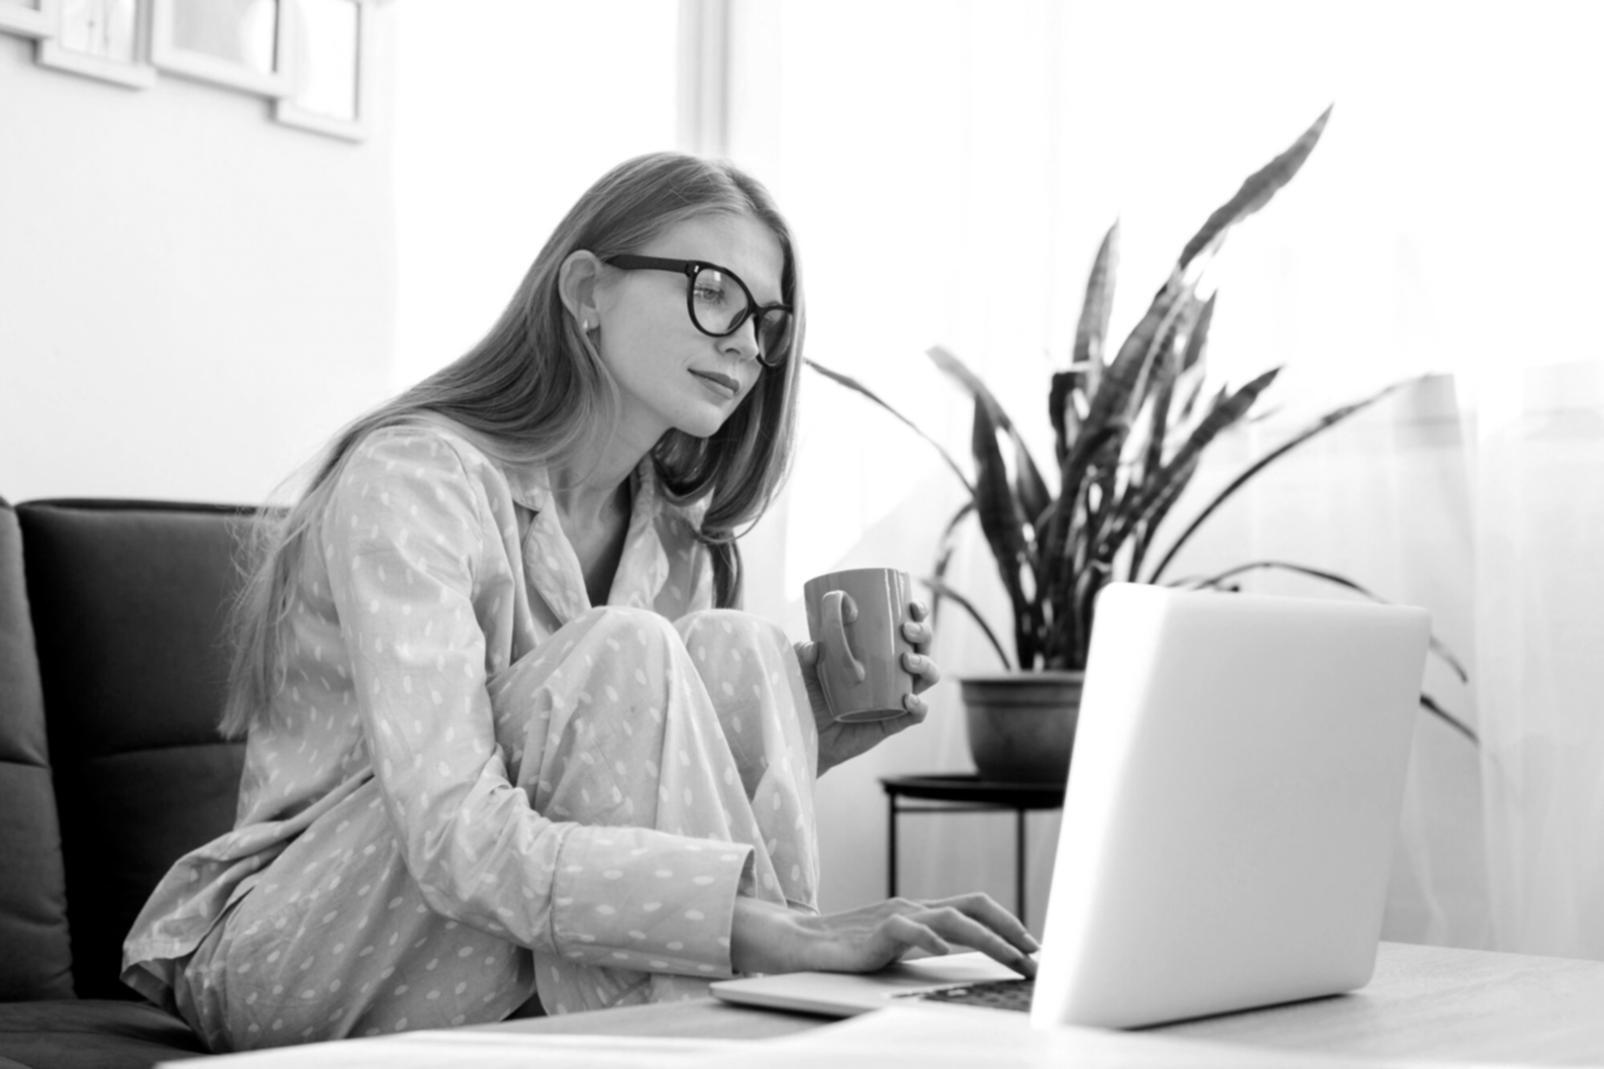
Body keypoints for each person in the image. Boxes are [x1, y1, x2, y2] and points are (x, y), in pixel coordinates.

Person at [122, 152, 1039, 1051]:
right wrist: (783, 930)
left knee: (742, 651)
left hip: (514, 959)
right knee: (628, 650)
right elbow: (455, 838)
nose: (743, 343)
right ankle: (776, 1003)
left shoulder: (682, 541)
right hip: (299, 948)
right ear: (587, 289)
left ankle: (758, 1023)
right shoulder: (414, 477)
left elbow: (634, 795)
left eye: (766, 321)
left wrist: (803, 730)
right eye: (712, 289)